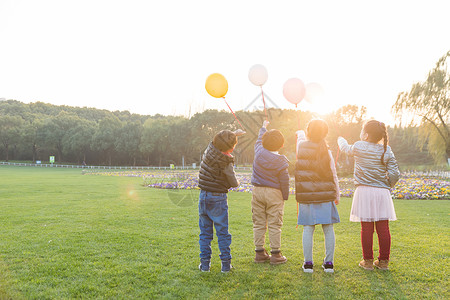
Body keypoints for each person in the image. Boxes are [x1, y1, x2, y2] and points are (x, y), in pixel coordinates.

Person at [338, 120, 400, 270]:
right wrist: (387, 184)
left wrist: (340, 138)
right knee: (383, 228)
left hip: (364, 191)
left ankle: (367, 262)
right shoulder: (386, 150)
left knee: (366, 228)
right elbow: (395, 174)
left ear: (365, 135)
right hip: (382, 193)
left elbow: (345, 148)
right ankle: (383, 262)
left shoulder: (359, 146)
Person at [296, 119, 340, 273]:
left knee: (308, 228)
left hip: (307, 196)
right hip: (326, 195)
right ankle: (329, 264)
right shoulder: (326, 150)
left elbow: (300, 141)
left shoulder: (301, 147)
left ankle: (308, 264)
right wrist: (337, 194)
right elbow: (334, 174)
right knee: (328, 229)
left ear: (308, 132)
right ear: (325, 133)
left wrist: (300, 133)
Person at [197, 129, 245, 273]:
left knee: (205, 233)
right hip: (218, 198)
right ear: (231, 147)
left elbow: (216, 141)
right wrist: (237, 182)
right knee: (222, 233)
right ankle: (225, 265)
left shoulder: (209, 151)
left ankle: (205, 265)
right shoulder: (226, 162)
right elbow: (234, 182)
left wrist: (233, 134)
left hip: (203, 196)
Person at [251, 120, 290, 265]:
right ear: (282, 145)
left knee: (259, 223)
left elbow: (259, 139)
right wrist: (284, 196)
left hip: (257, 191)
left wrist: (263, 127)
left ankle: (259, 252)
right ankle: (275, 254)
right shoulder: (281, 161)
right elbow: (284, 180)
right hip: (274, 193)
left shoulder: (259, 151)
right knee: (275, 223)